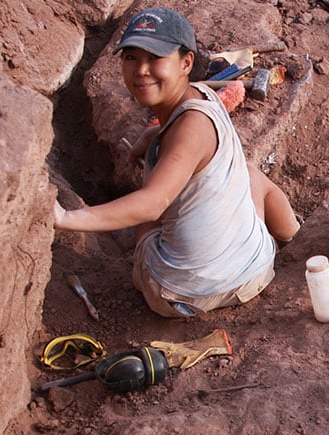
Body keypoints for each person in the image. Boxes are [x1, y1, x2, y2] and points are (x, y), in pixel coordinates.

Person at [53, 7, 300, 318]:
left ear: (186, 62)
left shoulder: (191, 129)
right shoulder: (202, 96)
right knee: (250, 174)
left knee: (154, 190)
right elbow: (187, 138)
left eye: (155, 58)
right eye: (131, 57)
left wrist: (66, 217)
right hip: (256, 269)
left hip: (181, 293)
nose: (141, 70)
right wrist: (152, 136)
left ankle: (159, 269)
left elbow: (151, 205)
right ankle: (294, 239)